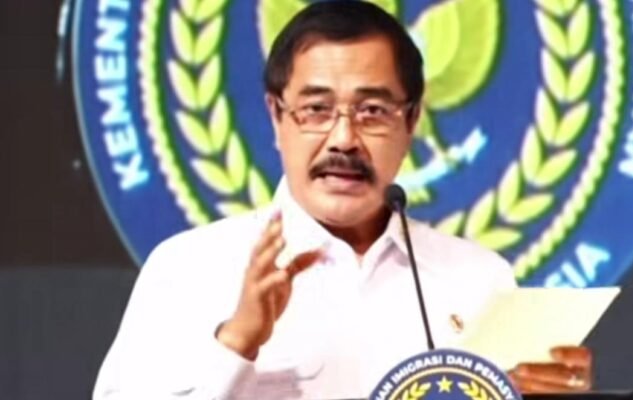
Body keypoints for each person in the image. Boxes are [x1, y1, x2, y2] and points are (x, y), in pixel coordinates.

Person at [93, 1, 592, 398]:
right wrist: (237, 341)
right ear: (276, 116)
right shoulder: (187, 270)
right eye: (316, 109)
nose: (344, 139)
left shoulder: (479, 280)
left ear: (411, 120)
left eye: (372, 110)